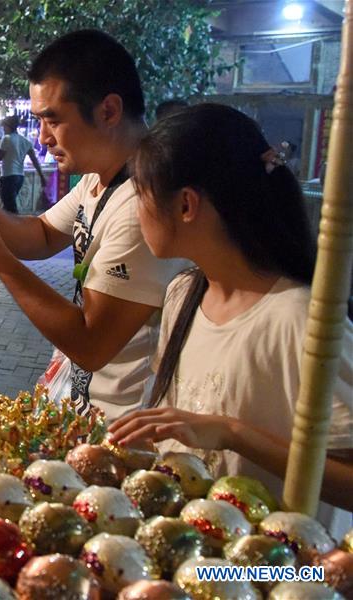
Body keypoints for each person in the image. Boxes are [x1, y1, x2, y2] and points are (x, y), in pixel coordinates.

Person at [108, 103, 353, 536]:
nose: (135, 211)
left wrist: (234, 433)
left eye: (141, 195)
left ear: (186, 204)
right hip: (193, 552)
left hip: (274, 572)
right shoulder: (185, 293)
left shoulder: (299, 319)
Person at [0, 30, 186, 420]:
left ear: (108, 111)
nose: (42, 138)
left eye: (52, 120)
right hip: (79, 402)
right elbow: (41, 235)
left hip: (122, 420)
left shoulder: (146, 203)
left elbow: (90, 343)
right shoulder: (100, 176)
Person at [0, 116, 47, 214]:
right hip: (20, 176)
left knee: (10, 207)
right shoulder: (25, 141)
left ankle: (16, 226)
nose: (3, 129)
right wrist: (41, 177)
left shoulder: (6, 139)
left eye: (4, 127)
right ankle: (7, 225)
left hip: (8, 176)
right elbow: (35, 161)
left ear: (9, 126)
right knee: (7, 204)